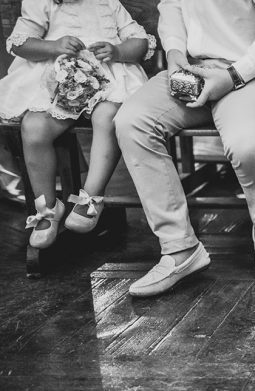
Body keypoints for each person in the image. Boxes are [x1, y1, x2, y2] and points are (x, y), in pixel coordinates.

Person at [114, 0, 255, 298]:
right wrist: (174, 54)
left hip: (252, 73)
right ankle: (180, 248)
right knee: (132, 121)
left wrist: (233, 76)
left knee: (247, 144)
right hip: (193, 69)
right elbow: (172, 7)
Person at [0, 0, 153, 249]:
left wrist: (117, 51)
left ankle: (90, 197)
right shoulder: (41, 2)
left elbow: (139, 42)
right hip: (61, 82)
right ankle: (47, 208)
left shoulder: (108, 2)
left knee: (109, 117)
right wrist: (53, 46)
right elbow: (20, 43)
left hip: (109, 83)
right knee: (34, 128)